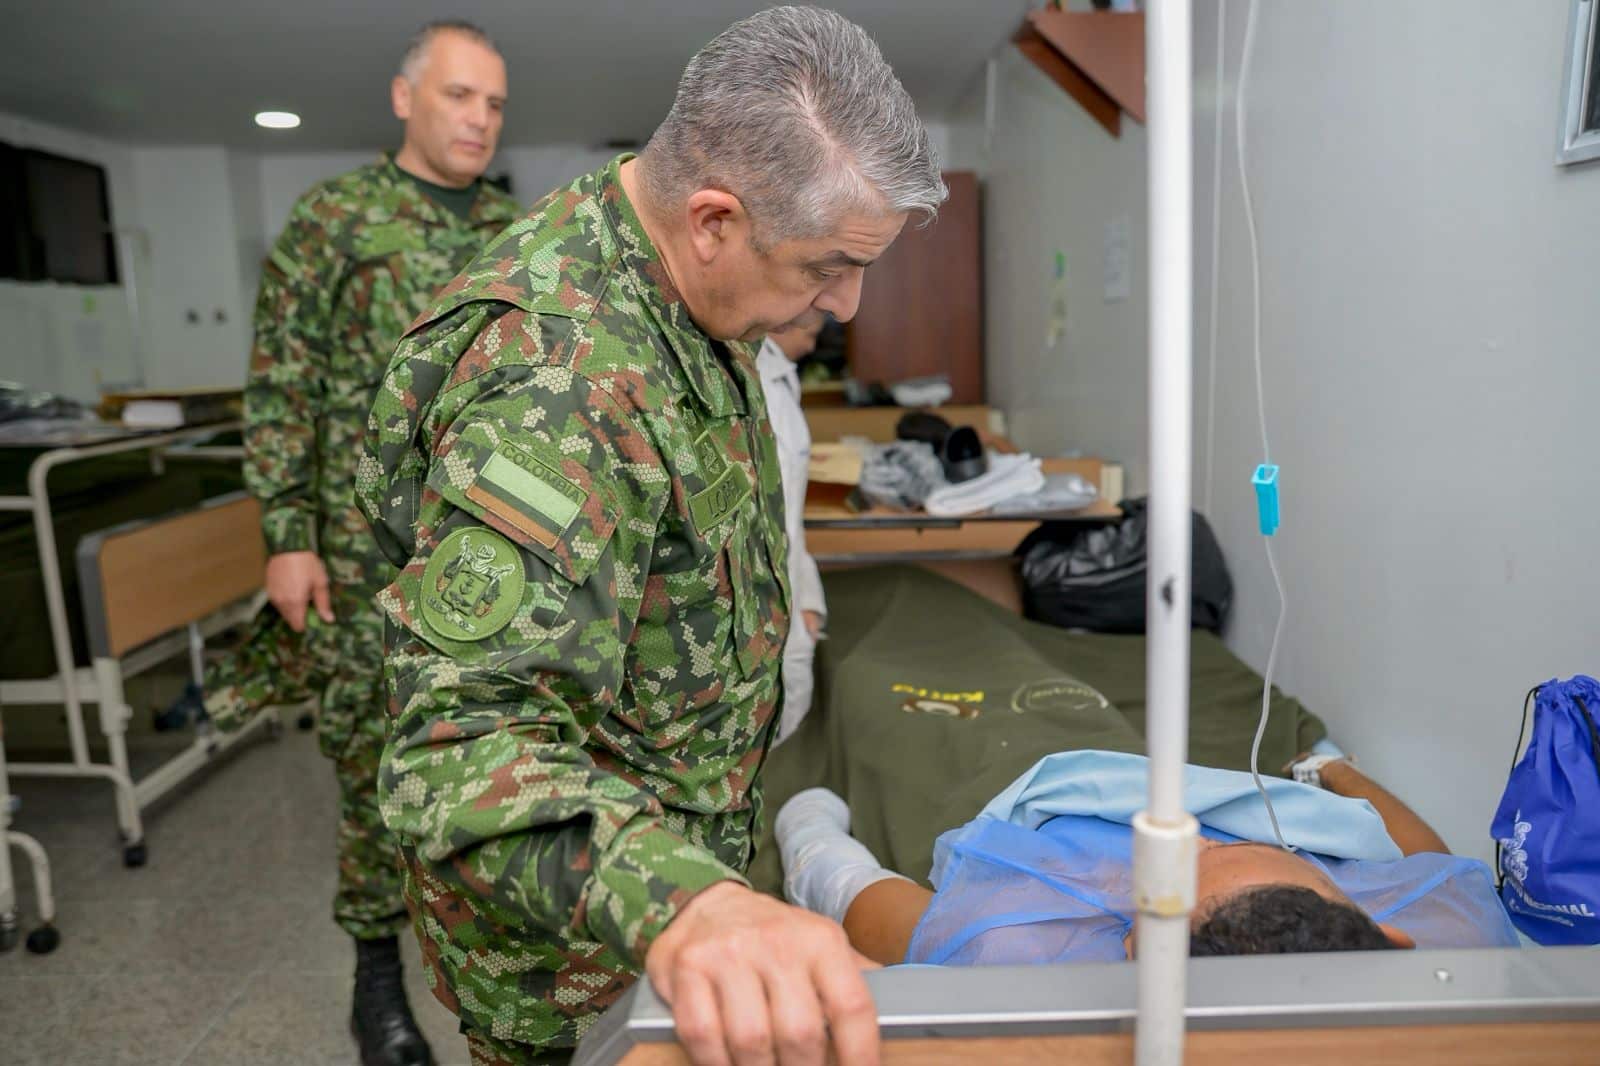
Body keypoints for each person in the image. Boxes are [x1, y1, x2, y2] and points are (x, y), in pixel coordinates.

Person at [353, 8, 945, 1064]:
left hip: (672, 857)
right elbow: (459, 744)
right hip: (569, 951)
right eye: (826, 265)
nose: (845, 302)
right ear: (713, 219)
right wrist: (689, 904)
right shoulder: (557, 382)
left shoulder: (676, 278)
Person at [205, 20, 519, 1066]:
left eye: (494, 104)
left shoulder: (520, 232)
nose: (478, 118)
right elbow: (283, 385)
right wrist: (287, 536)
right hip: (355, 553)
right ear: (404, 99)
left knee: (490, 752)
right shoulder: (332, 220)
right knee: (369, 763)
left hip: (485, 554)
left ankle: (490, 960)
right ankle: (376, 979)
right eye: (459, 95)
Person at [777, 749, 1521, 968]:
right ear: (1387, 934)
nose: (1202, 831)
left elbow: (856, 894)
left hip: (1065, 824)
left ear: (1132, 946)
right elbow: (1420, 857)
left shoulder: (1010, 940)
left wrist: (808, 831)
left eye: (1204, 852)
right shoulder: (1460, 935)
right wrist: (1334, 771)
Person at [755, 319, 828, 744]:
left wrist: (809, 598)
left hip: (787, 578)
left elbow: (790, 513)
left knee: (791, 697)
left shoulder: (782, 376)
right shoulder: (752, 376)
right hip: (760, 590)